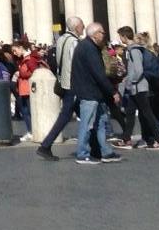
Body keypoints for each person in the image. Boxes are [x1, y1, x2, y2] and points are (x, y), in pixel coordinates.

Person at [71, 23, 121, 165]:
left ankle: (105, 152)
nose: (104, 35)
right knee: (87, 124)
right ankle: (82, 153)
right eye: (102, 33)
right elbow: (98, 73)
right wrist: (112, 91)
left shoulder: (87, 46)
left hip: (93, 93)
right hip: (89, 93)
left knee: (101, 123)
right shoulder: (89, 48)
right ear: (95, 34)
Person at [36, 18, 84, 161]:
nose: (83, 27)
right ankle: (45, 145)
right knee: (67, 115)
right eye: (82, 25)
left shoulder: (62, 39)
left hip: (64, 82)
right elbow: (77, 64)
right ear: (76, 27)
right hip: (73, 84)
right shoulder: (75, 42)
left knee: (84, 114)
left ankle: (97, 145)